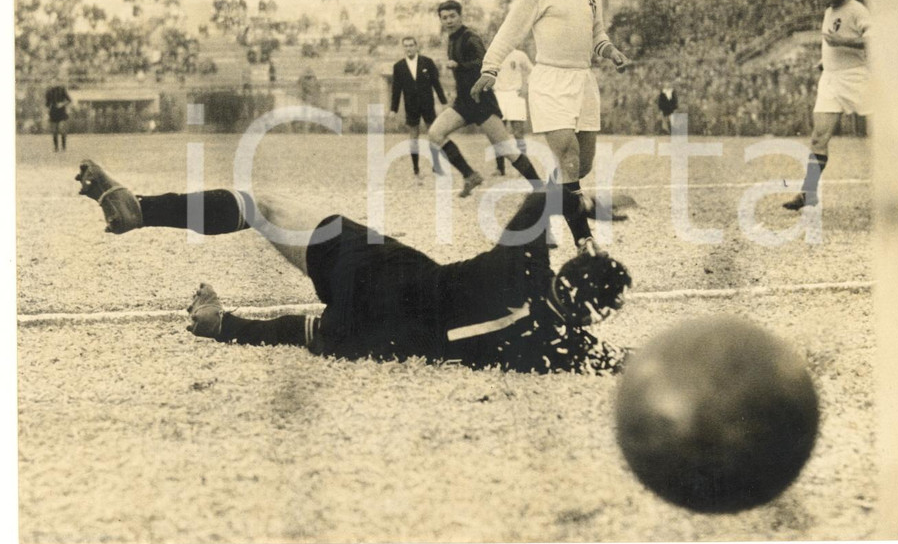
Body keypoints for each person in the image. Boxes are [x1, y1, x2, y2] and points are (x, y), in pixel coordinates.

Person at [74, 159, 631, 375]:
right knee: (312, 335)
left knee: (262, 207)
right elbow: (622, 362)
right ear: (592, 316)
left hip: (380, 272)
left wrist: (590, 217)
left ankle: (143, 210)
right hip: (382, 335)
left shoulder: (523, 270)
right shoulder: (561, 347)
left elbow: (548, 194)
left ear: (563, 273)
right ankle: (224, 325)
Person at [471, 0, 630, 254]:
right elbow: (511, 30)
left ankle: (537, 216)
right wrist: (490, 67)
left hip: (583, 82)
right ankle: (584, 239)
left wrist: (610, 49)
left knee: (580, 166)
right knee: (568, 156)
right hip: (550, 81)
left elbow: (596, 33)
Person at [428, 0, 542, 197]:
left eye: (452, 16)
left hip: (482, 103)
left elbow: (483, 61)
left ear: (460, 16)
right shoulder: (452, 39)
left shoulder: (470, 37)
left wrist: (459, 65)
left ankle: (541, 187)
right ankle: (470, 175)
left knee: (506, 149)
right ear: (440, 20)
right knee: (435, 134)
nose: (448, 21)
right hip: (464, 103)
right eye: (444, 17)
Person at [784, 0, 871, 210]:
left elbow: (874, 39)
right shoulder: (829, 11)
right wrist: (825, 61)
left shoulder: (857, 10)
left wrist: (842, 42)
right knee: (818, 137)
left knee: (889, 131)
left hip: (856, 79)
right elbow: (833, 43)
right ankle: (808, 193)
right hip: (831, 81)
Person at [390, 36, 446, 178]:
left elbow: (436, 84)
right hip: (411, 106)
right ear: (403, 48)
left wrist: (443, 102)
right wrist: (393, 109)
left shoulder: (427, 62)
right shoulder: (399, 67)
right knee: (413, 138)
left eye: (411, 45)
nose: (409, 48)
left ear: (416, 46)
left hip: (427, 105)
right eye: (406, 46)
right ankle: (416, 168)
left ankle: (436, 165)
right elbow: (396, 90)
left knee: (433, 135)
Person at [491, 49, 533, 176]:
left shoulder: (520, 55)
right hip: (498, 95)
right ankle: (500, 168)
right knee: (497, 133)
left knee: (518, 133)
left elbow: (533, 71)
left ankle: (525, 168)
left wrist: (526, 87)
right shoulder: (494, 54)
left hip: (515, 94)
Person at [44, 82, 72, 152]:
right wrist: (46, 113)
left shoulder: (62, 90)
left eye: (56, 81)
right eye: (52, 81)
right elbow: (47, 104)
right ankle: (56, 147)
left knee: (62, 129)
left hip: (62, 112)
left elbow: (69, 100)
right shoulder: (49, 92)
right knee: (54, 131)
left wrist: (62, 104)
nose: (54, 83)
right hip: (53, 113)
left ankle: (63, 147)